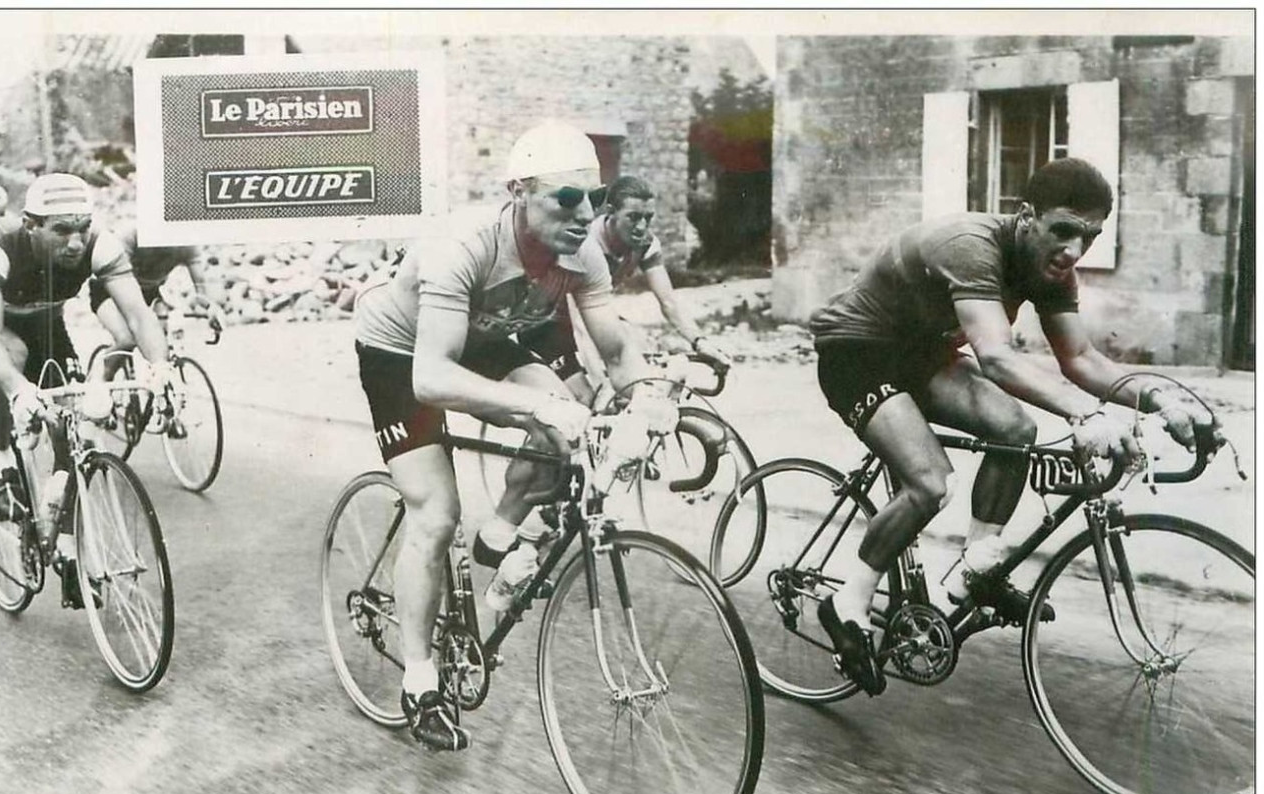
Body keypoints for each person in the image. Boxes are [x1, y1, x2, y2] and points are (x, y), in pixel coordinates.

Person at [808, 157, 1214, 696]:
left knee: (1014, 429)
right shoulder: (972, 246)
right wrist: (1084, 413)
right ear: (1026, 216)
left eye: (1089, 237)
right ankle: (847, 603)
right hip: (857, 353)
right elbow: (997, 358)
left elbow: (1083, 360)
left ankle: (977, 570)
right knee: (930, 482)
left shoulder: (1050, 269)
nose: (1073, 251)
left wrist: (1166, 399)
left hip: (921, 354)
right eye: (1063, 231)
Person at [353, 120, 663, 752]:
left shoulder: (584, 254)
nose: (585, 215)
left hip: (489, 335)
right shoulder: (463, 246)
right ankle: (419, 681)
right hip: (404, 352)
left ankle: (497, 542)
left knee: (564, 432)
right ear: (518, 191)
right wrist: (536, 405)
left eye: (595, 200)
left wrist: (650, 399)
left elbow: (616, 348)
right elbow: (433, 378)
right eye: (566, 199)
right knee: (436, 516)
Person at [0, 172, 172, 609]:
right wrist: (18, 391)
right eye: (61, 230)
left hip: (45, 320)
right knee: (9, 357)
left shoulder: (100, 244)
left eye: (82, 228)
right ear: (30, 225)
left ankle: (66, 545)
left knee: (73, 426)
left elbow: (140, 315)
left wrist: (160, 367)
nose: (75, 242)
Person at [518, 173, 732, 401]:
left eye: (648, 218)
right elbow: (579, 324)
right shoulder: (585, 245)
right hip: (545, 325)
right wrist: (601, 382)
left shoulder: (646, 244)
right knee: (587, 401)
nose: (642, 227)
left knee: (640, 377)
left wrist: (700, 342)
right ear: (610, 211)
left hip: (590, 317)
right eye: (633, 217)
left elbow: (668, 303)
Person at [87, 224, 226, 382]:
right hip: (109, 290)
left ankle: (153, 392)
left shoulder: (186, 245)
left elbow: (201, 287)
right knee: (127, 339)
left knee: (160, 348)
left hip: (149, 291)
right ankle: (100, 380)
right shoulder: (131, 236)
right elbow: (115, 276)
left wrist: (211, 309)